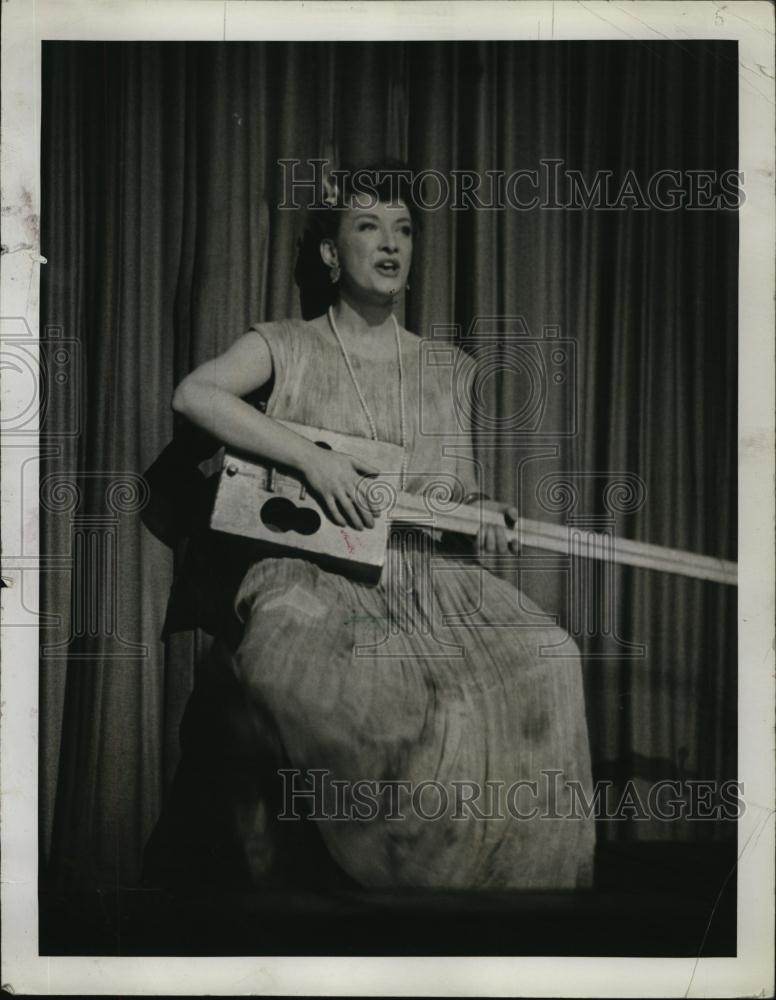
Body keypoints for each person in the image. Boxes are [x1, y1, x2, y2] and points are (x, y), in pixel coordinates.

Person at [168, 162, 596, 890]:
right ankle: (351, 880)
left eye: (402, 229)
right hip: (318, 575)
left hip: (430, 579)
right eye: (368, 227)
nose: (390, 244)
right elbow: (194, 395)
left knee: (550, 654)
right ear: (333, 254)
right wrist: (312, 461)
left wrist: (484, 517)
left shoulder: (448, 368)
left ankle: (509, 902)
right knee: (287, 664)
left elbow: (457, 497)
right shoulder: (285, 344)